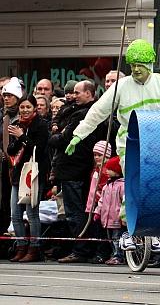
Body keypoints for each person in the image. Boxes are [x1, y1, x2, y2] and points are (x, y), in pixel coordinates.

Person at [65, 39, 160, 251]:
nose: (136, 69)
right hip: (130, 144)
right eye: (132, 65)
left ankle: (156, 230)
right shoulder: (120, 87)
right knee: (133, 183)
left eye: (140, 65)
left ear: (150, 63)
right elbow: (97, 111)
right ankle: (129, 232)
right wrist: (78, 135)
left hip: (159, 143)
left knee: (159, 185)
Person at [50, 80, 105, 263]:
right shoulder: (72, 109)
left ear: (89, 93)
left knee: (76, 213)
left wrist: (56, 134)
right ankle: (79, 248)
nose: (73, 95)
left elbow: (63, 139)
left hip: (75, 168)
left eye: (77, 92)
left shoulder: (84, 113)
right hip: (68, 168)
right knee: (72, 212)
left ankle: (81, 250)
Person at [7, 94, 49, 262]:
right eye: (22, 107)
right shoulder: (16, 125)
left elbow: (38, 150)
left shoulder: (42, 125)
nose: (24, 110)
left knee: (32, 214)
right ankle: (21, 246)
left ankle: (34, 249)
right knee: (15, 215)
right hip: (19, 173)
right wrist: (18, 137)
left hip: (34, 174)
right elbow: (11, 150)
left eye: (28, 107)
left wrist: (23, 136)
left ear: (34, 108)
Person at [1, 78, 23, 236]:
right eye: (4, 95)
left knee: (19, 205)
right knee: (5, 202)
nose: (6, 98)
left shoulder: (22, 115)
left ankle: (22, 240)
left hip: (21, 163)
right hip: (5, 164)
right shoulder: (5, 116)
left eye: (10, 95)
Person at [94, 155, 125, 265]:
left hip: (117, 218)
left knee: (117, 238)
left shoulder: (122, 186)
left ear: (117, 171)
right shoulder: (106, 186)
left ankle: (118, 256)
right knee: (111, 239)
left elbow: (124, 201)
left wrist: (123, 216)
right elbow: (101, 201)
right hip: (106, 220)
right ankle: (114, 254)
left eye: (110, 169)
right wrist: (98, 212)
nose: (107, 171)